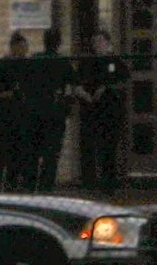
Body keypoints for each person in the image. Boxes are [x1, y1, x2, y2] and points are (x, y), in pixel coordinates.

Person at [77, 27, 130, 193]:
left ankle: (109, 184)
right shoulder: (87, 62)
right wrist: (83, 94)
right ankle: (89, 183)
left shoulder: (115, 61)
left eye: (100, 41)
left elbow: (124, 82)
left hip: (110, 111)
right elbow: (77, 83)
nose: (97, 45)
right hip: (90, 111)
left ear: (108, 43)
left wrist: (107, 88)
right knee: (88, 147)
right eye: (95, 42)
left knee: (108, 148)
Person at [0, 34, 40, 189]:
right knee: (1, 152)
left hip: (22, 116)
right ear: (14, 47)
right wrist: (8, 94)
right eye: (22, 47)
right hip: (5, 116)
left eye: (26, 47)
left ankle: (12, 183)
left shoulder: (27, 65)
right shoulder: (3, 66)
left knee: (18, 152)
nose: (25, 50)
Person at [30, 30, 77, 190]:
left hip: (35, 111)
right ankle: (46, 185)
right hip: (55, 112)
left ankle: (30, 184)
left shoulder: (35, 60)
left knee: (34, 151)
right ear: (58, 43)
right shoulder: (62, 62)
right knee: (52, 153)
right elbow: (72, 85)